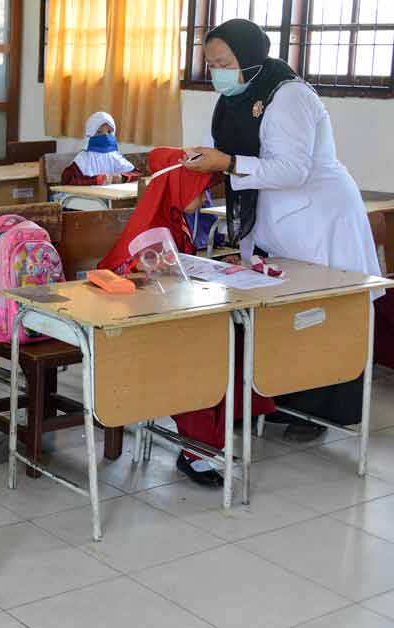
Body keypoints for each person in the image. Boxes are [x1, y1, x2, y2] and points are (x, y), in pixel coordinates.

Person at [184, 18, 381, 442]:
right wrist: (197, 173)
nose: (217, 72)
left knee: (321, 312)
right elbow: (218, 151)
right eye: (211, 64)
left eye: (224, 63)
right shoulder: (232, 99)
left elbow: (293, 169)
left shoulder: (289, 95)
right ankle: (276, 399)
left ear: (249, 57)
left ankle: (318, 411)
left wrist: (227, 165)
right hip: (278, 216)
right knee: (284, 313)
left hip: (319, 216)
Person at [101, 148, 276, 486]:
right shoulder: (150, 227)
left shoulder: (173, 215)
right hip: (145, 323)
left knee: (239, 339)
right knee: (197, 355)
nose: (205, 196)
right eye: (198, 188)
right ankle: (199, 447)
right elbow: (145, 283)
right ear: (178, 185)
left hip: (176, 312)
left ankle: (217, 431)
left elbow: (179, 272)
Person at [61, 112, 144, 186]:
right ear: (90, 133)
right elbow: (67, 180)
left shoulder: (115, 156)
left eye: (109, 132)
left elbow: (137, 174)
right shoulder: (84, 158)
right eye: (99, 132)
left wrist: (123, 177)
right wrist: (98, 180)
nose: (105, 136)